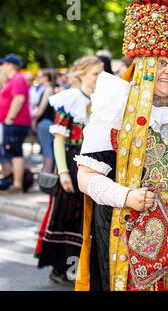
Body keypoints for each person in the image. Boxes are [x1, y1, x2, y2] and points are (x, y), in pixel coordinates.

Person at [75, 0, 168, 291]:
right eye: (160, 63)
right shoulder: (115, 110)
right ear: (141, 65)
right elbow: (85, 177)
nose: (167, 71)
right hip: (140, 233)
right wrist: (125, 195)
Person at [36, 55, 104, 285]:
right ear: (82, 74)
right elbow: (58, 139)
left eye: (101, 73)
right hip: (71, 161)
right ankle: (60, 267)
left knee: (85, 217)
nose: (100, 77)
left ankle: (80, 267)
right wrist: (63, 172)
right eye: (96, 73)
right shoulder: (70, 99)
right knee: (65, 214)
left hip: (91, 161)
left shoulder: (102, 100)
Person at [0, 54, 32, 193]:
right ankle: (12, 179)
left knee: (15, 152)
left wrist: (10, 118)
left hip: (15, 122)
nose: (3, 67)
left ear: (10, 65)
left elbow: (19, 99)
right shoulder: (14, 79)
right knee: (10, 152)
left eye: (4, 64)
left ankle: (17, 184)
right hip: (13, 122)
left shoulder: (18, 79)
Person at [32, 70, 56, 173]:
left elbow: (41, 107)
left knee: (47, 148)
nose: (38, 78)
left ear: (46, 77)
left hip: (45, 122)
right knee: (47, 148)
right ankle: (47, 171)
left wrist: (34, 119)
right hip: (45, 121)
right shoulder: (47, 89)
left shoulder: (48, 89)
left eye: (40, 76)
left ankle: (47, 172)